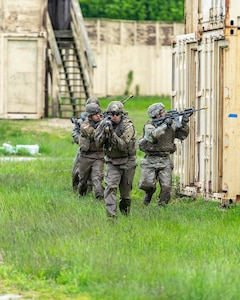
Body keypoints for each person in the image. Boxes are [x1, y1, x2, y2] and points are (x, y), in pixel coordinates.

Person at [138, 102, 190, 206]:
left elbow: (182, 135)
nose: (165, 112)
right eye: (163, 111)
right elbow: (152, 137)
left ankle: (161, 207)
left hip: (164, 159)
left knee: (166, 187)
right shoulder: (149, 126)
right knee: (148, 185)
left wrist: (183, 122)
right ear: (157, 115)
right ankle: (148, 194)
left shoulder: (171, 124)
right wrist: (165, 125)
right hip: (150, 160)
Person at [95, 101, 137, 218]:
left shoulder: (127, 126)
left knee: (125, 195)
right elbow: (97, 143)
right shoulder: (104, 124)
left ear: (121, 114)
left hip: (127, 161)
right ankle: (111, 216)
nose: (114, 116)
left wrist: (112, 133)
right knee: (110, 188)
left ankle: (125, 213)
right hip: (112, 162)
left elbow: (123, 146)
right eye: (112, 114)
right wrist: (104, 131)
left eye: (117, 114)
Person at [71, 97, 101, 192]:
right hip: (83, 149)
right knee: (77, 171)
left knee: (95, 174)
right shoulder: (82, 120)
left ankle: (89, 190)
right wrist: (80, 140)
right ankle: (76, 188)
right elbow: (75, 132)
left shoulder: (101, 120)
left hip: (96, 151)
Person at [77, 102, 105, 199]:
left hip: (99, 156)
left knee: (97, 179)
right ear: (90, 116)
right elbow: (95, 134)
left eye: (99, 113)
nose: (98, 116)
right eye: (95, 114)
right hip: (85, 156)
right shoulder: (84, 125)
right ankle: (81, 195)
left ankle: (100, 198)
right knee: (83, 180)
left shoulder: (102, 122)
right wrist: (102, 126)